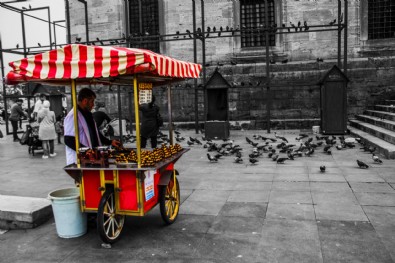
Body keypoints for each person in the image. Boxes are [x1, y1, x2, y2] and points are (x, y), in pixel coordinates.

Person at [63, 88, 121, 165]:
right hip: (81, 159)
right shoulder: (72, 116)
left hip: (93, 157)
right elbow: (68, 139)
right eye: (92, 102)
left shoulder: (88, 114)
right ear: (85, 101)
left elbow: (95, 133)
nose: (93, 105)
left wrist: (109, 142)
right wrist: (86, 151)